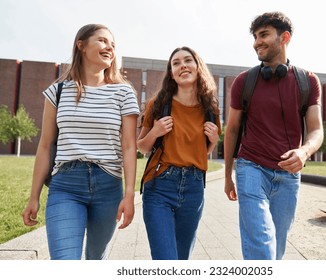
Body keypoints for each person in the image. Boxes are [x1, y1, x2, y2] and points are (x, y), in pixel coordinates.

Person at [22, 24, 140, 260]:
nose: (110, 48)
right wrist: (33, 196)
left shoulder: (123, 93)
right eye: (103, 41)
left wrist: (129, 194)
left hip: (109, 186)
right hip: (66, 185)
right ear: (82, 46)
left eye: (113, 45)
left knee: (96, 259)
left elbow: (129, 146)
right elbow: (45, 145)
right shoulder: (57, 92)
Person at [224, 12, 324, 260]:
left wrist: (304, 151)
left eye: (264, 34)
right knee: (262, 244)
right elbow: (233, 129)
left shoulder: (308, 81)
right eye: (255, 36)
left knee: (277, 249)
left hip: (289, 176)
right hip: (251, 169)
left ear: (284, 37)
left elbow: (316, 129)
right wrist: (227, 175)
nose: (257, 41)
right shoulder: (243, 82)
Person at [137, 46, 221, 260]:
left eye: (187, 60)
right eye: (176, 63)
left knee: (182, 260)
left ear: (197, 66)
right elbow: (143, 147)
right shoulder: (158, 104)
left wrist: (213, 141)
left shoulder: (211, 108)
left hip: (194, 188)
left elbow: (203, 152)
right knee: (166, 259)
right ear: (172, 72)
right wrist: (156, 131)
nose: (182, 65)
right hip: (159, 186)